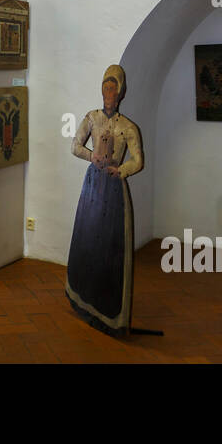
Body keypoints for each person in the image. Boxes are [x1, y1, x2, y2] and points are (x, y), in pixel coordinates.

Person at [66, 64, 144, 337]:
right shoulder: (92, 118)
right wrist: (92, 157)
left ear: (121, 92)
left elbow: (137, 160)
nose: (109, 92)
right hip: (92, 187)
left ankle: (109, 311)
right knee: (87, 239)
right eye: (105, 87)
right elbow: (75, 146)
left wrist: (121, 170)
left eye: (113, 88)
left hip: (113, 189)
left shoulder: (128, 127)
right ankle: (83, 298)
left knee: (111, 247)